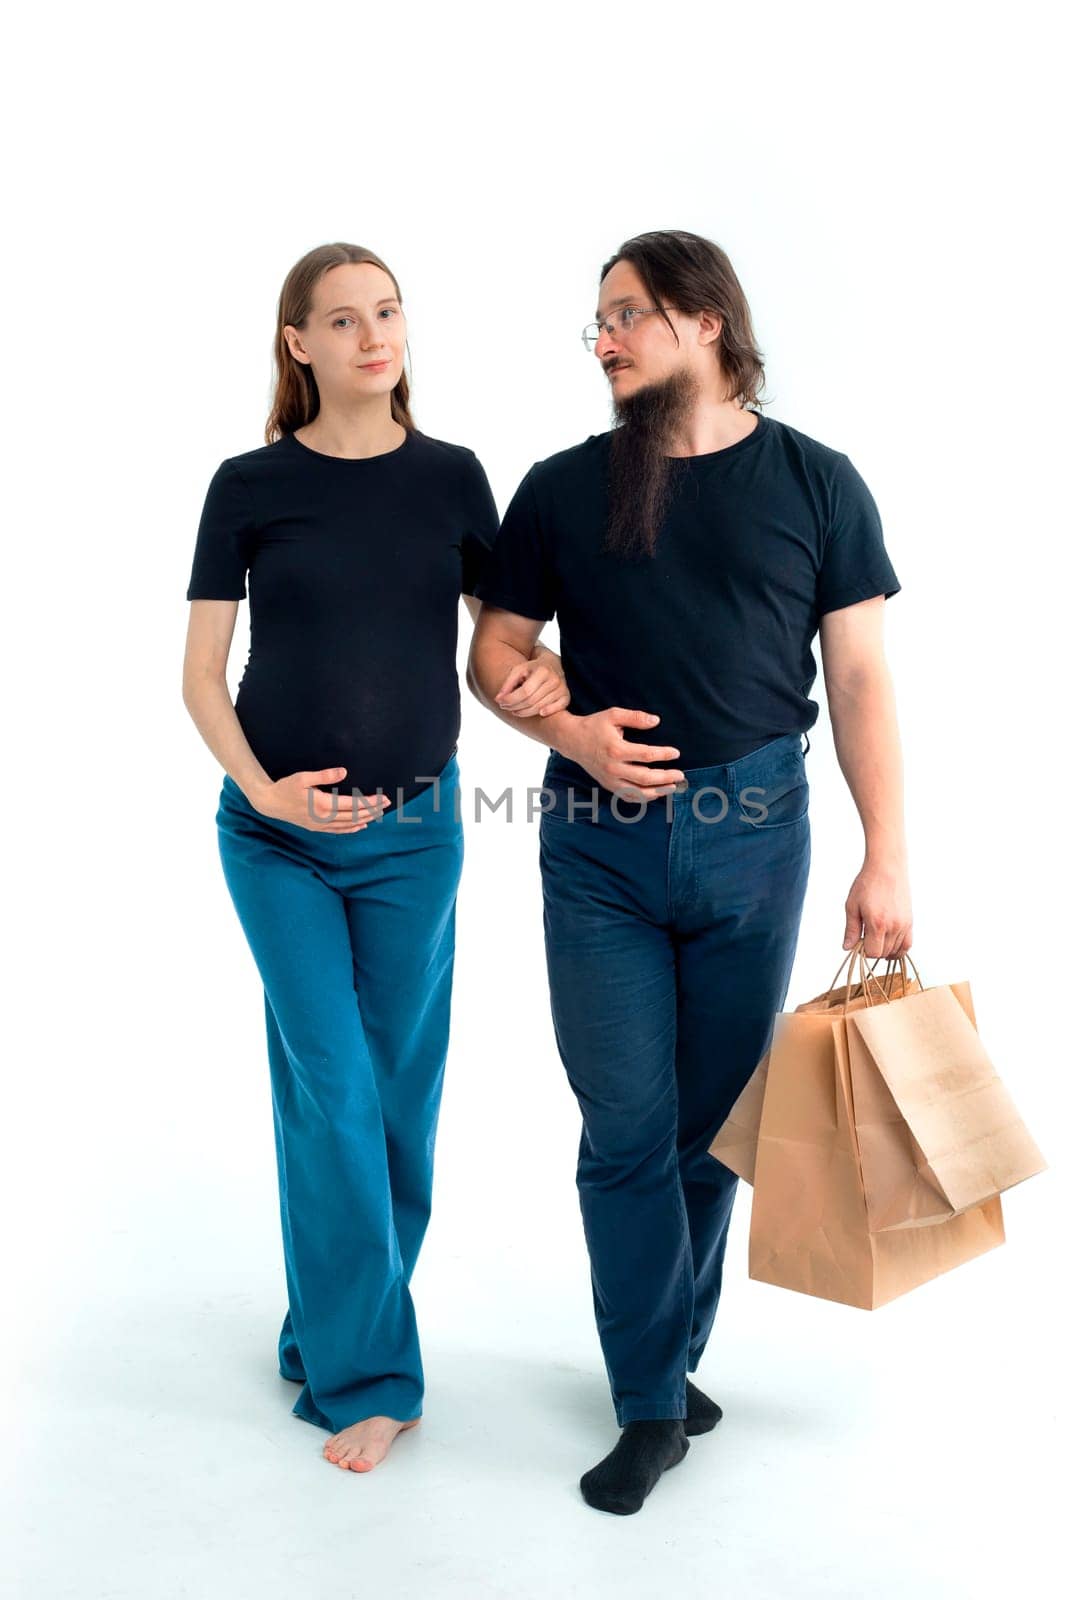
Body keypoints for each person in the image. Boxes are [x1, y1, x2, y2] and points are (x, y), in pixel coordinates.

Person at [468, 229, 910, 1516]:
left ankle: (663, 1350)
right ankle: (651, 1400)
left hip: (756, 839)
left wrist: (887, 853)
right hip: (594, 853)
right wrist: (565, 731)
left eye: (624, 314)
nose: (601, 338)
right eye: (594, 320)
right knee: (622, 1130)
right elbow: (493, 652)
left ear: (705, 321)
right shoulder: (559, 489)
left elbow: (863, 677)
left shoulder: (816, 482)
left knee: (711, 1137)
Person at [182, 242, 568, 1475]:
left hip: (416, 838)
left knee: (395, 1104)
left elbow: (497, 648)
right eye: (341, 320)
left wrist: (548, 690)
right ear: (296, 343)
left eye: (387, 312)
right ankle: (371, 1376)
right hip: (277, 842)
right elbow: (198, 677)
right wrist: (264, 791)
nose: (371, 335)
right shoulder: (246, 484)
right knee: (334, 1090)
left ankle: (324, 1319)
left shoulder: (455, 481)